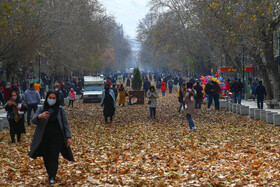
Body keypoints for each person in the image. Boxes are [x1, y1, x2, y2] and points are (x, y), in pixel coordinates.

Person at [28, 91, 74, 185]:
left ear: (56, 99)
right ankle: (49, 174)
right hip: (44, 138)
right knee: (46, 157)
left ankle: (52, 176)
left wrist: (68, 137)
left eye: (54, 98)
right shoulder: (41, 109)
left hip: (57, 138)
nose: (51, 100)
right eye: (50, 97)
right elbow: (33, 120)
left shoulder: (60, 110)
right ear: (47, 98)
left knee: (54, 157)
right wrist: (40, 116)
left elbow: (65, 125)